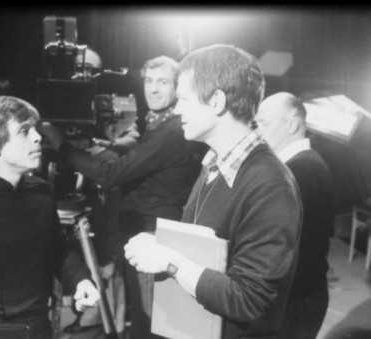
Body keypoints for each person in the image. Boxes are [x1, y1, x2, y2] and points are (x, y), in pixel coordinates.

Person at [124, 44, 302, 339]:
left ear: (217, 101)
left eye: (183, 98)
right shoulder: (214, 163)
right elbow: (214, 248)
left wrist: (169, 258)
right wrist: (161, 244)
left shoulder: (271, 185)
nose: (177, 108)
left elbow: (249, 299)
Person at [41, 55, 206, 339]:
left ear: (177, 87)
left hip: (154, 236)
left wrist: (62, 145)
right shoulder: (161, 123)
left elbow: (111, 174)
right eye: (148, 81)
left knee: (150, 324)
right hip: (144, 232)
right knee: (143, 319)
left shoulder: (171, 130)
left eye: (163, 82)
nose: (153, 89)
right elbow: (138, 161)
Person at [0, 96, 100, 339]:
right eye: (25, 131)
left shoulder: (40, 191)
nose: (37, 137)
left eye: (34, 129)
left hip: (39, 330)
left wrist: (81, 281)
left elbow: (58, 250)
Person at [63, 47, 140, 336]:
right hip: (72, 186)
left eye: (92, 68)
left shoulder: (113, 102)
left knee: (109, 257)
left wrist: (98, 147)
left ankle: (110, 326)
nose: (86, 74)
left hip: (106, 190)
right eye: (81, 68)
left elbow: (132, 137)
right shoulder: (63, 101)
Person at [255, 91, 335, 339]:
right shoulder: (303, 165)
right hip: (299, 297)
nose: (258, 132)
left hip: (295, 301)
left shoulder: (302, 171)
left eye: (264, 124)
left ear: (292, 124)